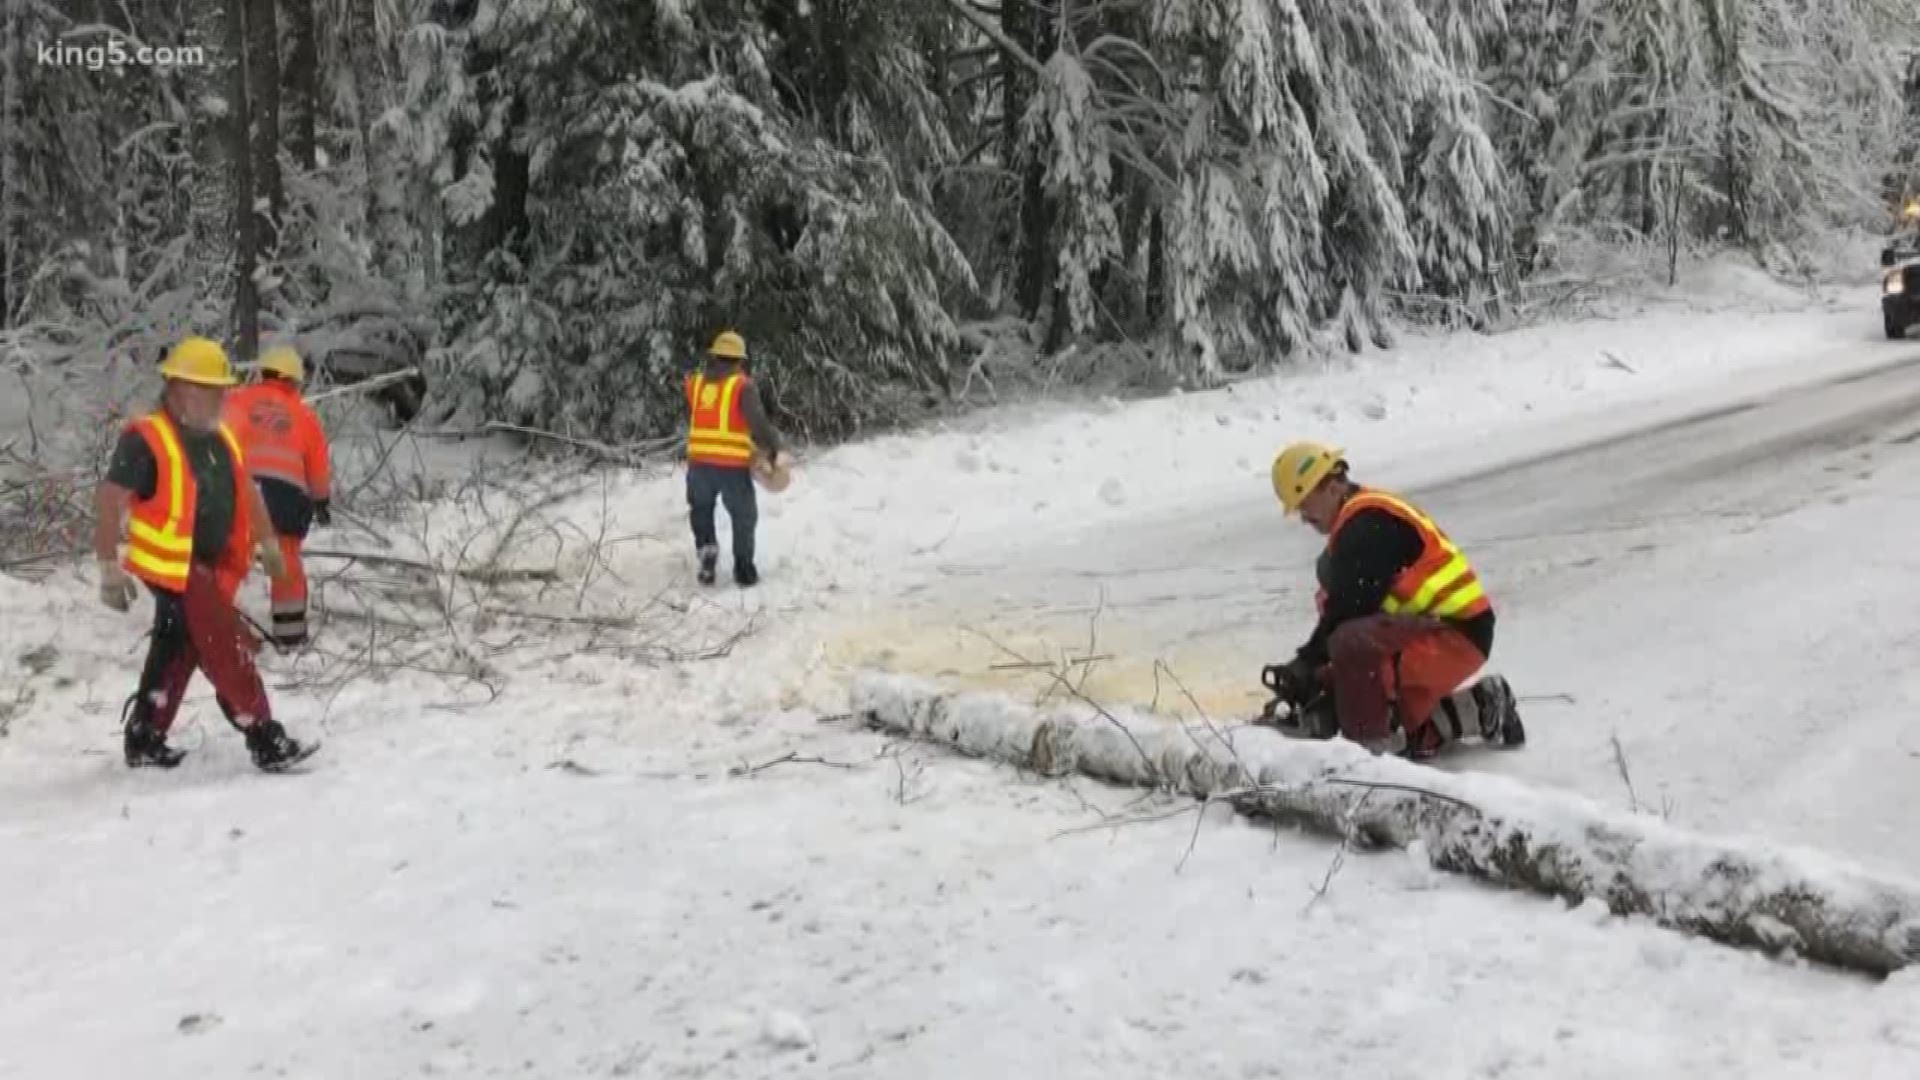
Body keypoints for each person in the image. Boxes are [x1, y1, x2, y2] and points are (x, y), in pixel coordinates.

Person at [92, 335, 315, 771]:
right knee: (225, 643)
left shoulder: (222, 438)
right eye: (210, 389)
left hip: (209, 566)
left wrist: (268, 543)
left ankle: (145, 736)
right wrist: (107, 568)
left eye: (222, 389)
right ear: (179, 388)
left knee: (180, 645)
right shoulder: (147, 438)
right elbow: (110, 499)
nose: (220, 398)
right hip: (172, 565)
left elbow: (247, 493)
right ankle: (264, 735)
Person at [1260, 441, 1525, 759]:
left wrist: (1306, 663)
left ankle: (1373, 753)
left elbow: (1348, 611)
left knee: (1350, 645)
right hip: (1428, 629)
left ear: (1330, 488)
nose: (1303, 517)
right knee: (1339, 686)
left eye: (1304, 504)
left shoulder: (1368, 524)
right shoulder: (1359, 521)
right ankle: (1481, 706)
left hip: (1455, 634)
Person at [222, 345, 332, 648]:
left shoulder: (236, 402)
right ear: (295, 381)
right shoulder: (304, 415)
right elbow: (318, 465)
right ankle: (291, 634)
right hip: (287, 497)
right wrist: (321, 500)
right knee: (285, 563)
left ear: (262, 373)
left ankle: (211, 625)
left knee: (229, 558)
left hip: (240, 492)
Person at [684, 329, 784, 587]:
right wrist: (774, 447)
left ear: (714, 356)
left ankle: (707, 557)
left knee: (702, 510)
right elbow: (758, 423)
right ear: (739, 359)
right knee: (743, 516)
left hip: (698, 465)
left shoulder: (694, 384)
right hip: (731, 467)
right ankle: (744, 569)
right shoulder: (742, 386)